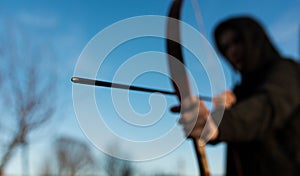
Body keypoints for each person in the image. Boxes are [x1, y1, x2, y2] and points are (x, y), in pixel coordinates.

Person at [175, 16, 300, 176]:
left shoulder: (286, 69)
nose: (232, 51)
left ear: (254, 39)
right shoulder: (240, 91)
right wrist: (225, 110)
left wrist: (217, 122)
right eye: (225, 47)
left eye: (237, 41)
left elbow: (267, 106)